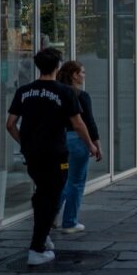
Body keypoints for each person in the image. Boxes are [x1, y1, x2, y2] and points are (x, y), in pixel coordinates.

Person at [5, 48, 100, 267]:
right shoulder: (64, 92)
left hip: (32, 154)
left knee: (42, 193)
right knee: (50, 196)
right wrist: (91, 145)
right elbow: (78, 123)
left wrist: (25, 143)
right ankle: (37, 248)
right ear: (57, 66)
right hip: (56, 152)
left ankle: (43, 237)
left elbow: (10, 124)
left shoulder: (24, 91)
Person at [53, 60, 97, 233]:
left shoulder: (56, 93)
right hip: (77, 140)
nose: (84, 75)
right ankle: (69, 222)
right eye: (82, 72)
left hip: (58, 140)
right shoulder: (80, 95)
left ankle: (50, 215)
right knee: (76, 182)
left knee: (62, 181)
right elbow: (88, 123)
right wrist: (94, 144)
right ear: (74, 75)